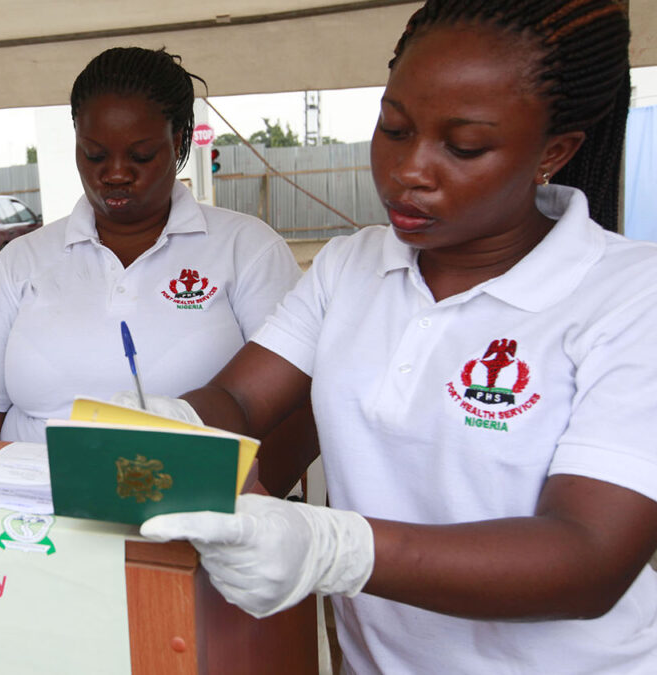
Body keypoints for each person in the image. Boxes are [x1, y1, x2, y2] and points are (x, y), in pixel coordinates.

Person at [133, 2, 657, 673]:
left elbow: (589, 556)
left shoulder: (628, 295)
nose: (411, 169)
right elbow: (238, 394)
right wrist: (174, 422)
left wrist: (333, 548)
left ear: (554, 152)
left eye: (463, 146)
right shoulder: (353, 266)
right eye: (395, 128)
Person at [0, 47, 300, 443]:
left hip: (195, 499)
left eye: (140, 155)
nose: (114, 174)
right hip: (27, 500)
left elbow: (296, 410)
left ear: (177, 141)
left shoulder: (248, 250)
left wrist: (244, 501)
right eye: (95, 154)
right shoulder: (21, 261)